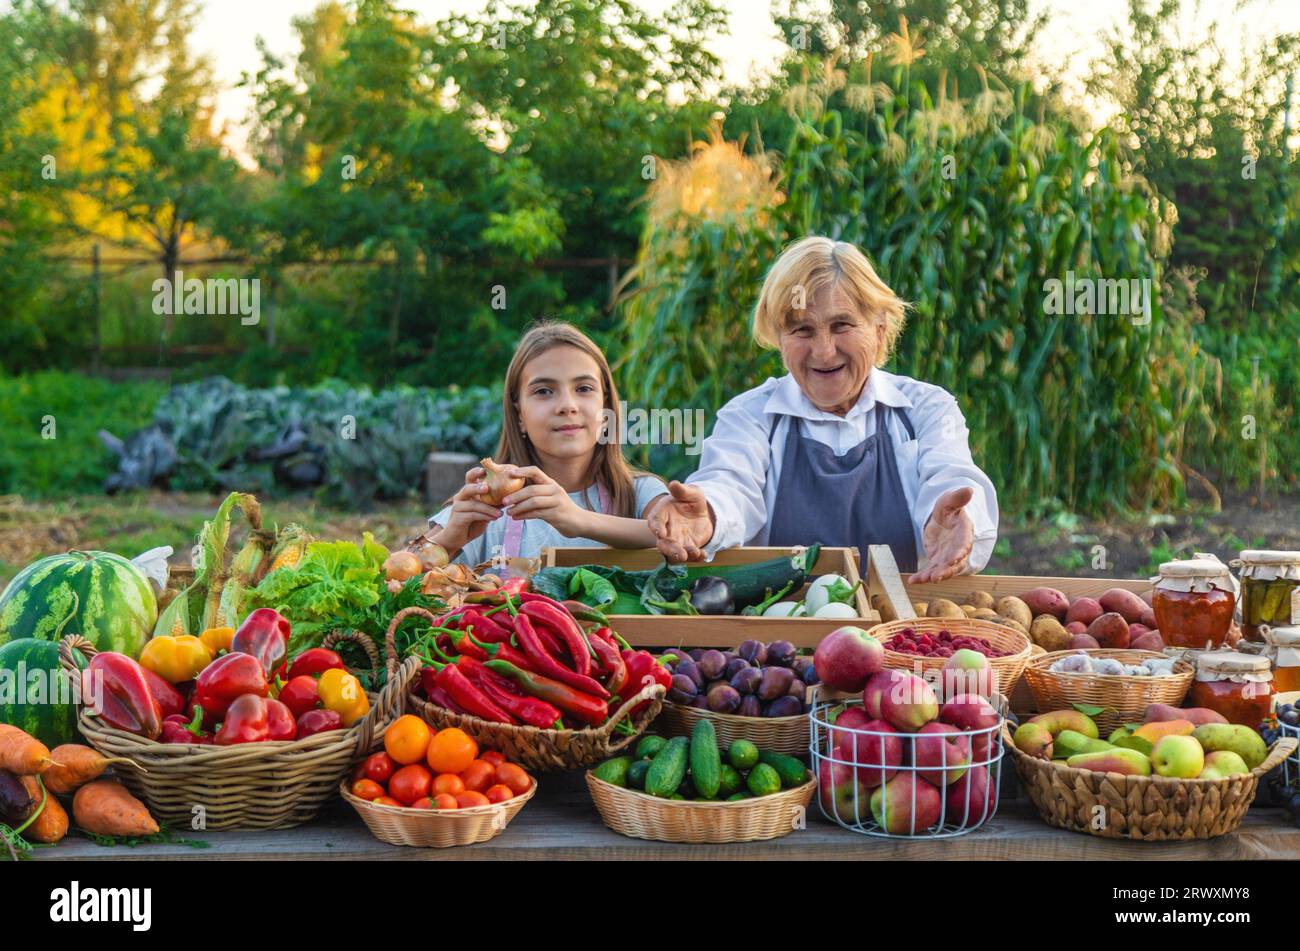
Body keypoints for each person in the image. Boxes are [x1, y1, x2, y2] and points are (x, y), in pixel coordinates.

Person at [646, 236, 998, 584]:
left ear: (879, 330)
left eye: (841, 325)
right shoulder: (751, 417)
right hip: (782, 632)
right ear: (780, 340)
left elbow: (950, 476)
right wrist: (707, 514)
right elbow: (730, 484)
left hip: (900, 632)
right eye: (802, 330)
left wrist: (953, 521)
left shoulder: (925, 410)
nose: (824, 351)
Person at [419, 321, 668, 566]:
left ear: (605, 408)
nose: (567, 406)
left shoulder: (642, 494)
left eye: (583, 388)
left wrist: (579, 520)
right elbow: (397, 576)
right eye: (544, 391)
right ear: (519, 415)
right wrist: (448, 542)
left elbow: (682, 540)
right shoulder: (485, 506)